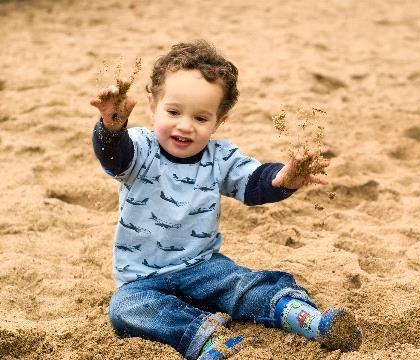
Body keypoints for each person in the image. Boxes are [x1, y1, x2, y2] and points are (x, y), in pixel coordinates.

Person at [90, 40, 362, 360]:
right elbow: (115, 159)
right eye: (173, 111)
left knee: (243, 285)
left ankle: (310, 320)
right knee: (125, 309)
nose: (185, 125)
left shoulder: (220, 157)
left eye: (201, 118)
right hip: (142, 280)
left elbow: (253, 182)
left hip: (204, 267)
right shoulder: (139, 147)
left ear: (219, 120)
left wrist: (282, 179)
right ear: (153, 105)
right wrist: (112, 128)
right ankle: (209, 338)